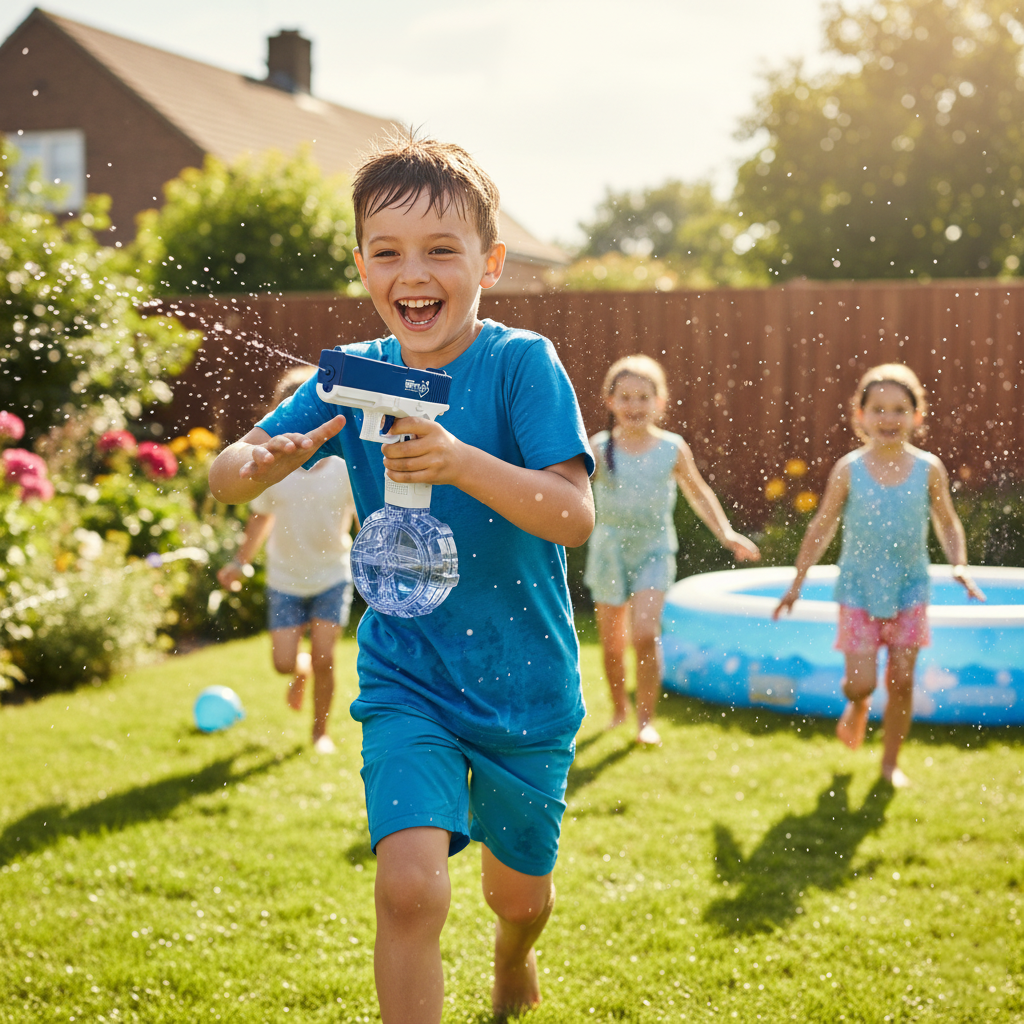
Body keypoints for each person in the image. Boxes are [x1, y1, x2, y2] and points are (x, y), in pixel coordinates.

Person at [208, 134, 595, 1024]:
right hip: (406, 673)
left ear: (489, 263)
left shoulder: (520, 365)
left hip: (525, 682)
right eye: (387, 252)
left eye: (439, 251)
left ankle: (513, 961)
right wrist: (262, 457)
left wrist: (460, 461)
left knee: (519, 899)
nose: (411, 272)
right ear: (362, 267)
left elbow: (572, 515)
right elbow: (230, 476)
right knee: (410, 890)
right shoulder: (350, 375)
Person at [773, 363, 985, 787]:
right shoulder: (849, 469)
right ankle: (857, 705)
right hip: (858, 589)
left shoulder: (929, 469)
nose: (889, 418)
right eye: (879, 409)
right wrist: (797, 582)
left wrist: (959, 563)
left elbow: (947, 522)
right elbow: (822, 525)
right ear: (860, 415)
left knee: (903, 680)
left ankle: (890, 763)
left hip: (910, 588)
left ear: (917, 416)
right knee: (859, 683)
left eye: (900, 409)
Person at [584, 355, 760, 747]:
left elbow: (699, 493)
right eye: (625, 397)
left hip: (653, 549)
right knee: (612, 643)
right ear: (609, 401)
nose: (634, 406)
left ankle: (646, 719)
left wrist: (726, 532)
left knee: (645, 633)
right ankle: (618, 710)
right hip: (609, 549)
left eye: (643, 397)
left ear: (660, 403)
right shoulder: (597, 447)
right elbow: (571, 490)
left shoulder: (671, 449)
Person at [216, 365, 357, 756]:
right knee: (283, 663)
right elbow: (260, 520)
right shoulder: (273, 472)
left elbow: (367, 517)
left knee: (327, 655)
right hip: (285, 579)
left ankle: (319, 732)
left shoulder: (346, 469)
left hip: (332, 574)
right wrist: (240, 561)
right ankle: (300, 671)